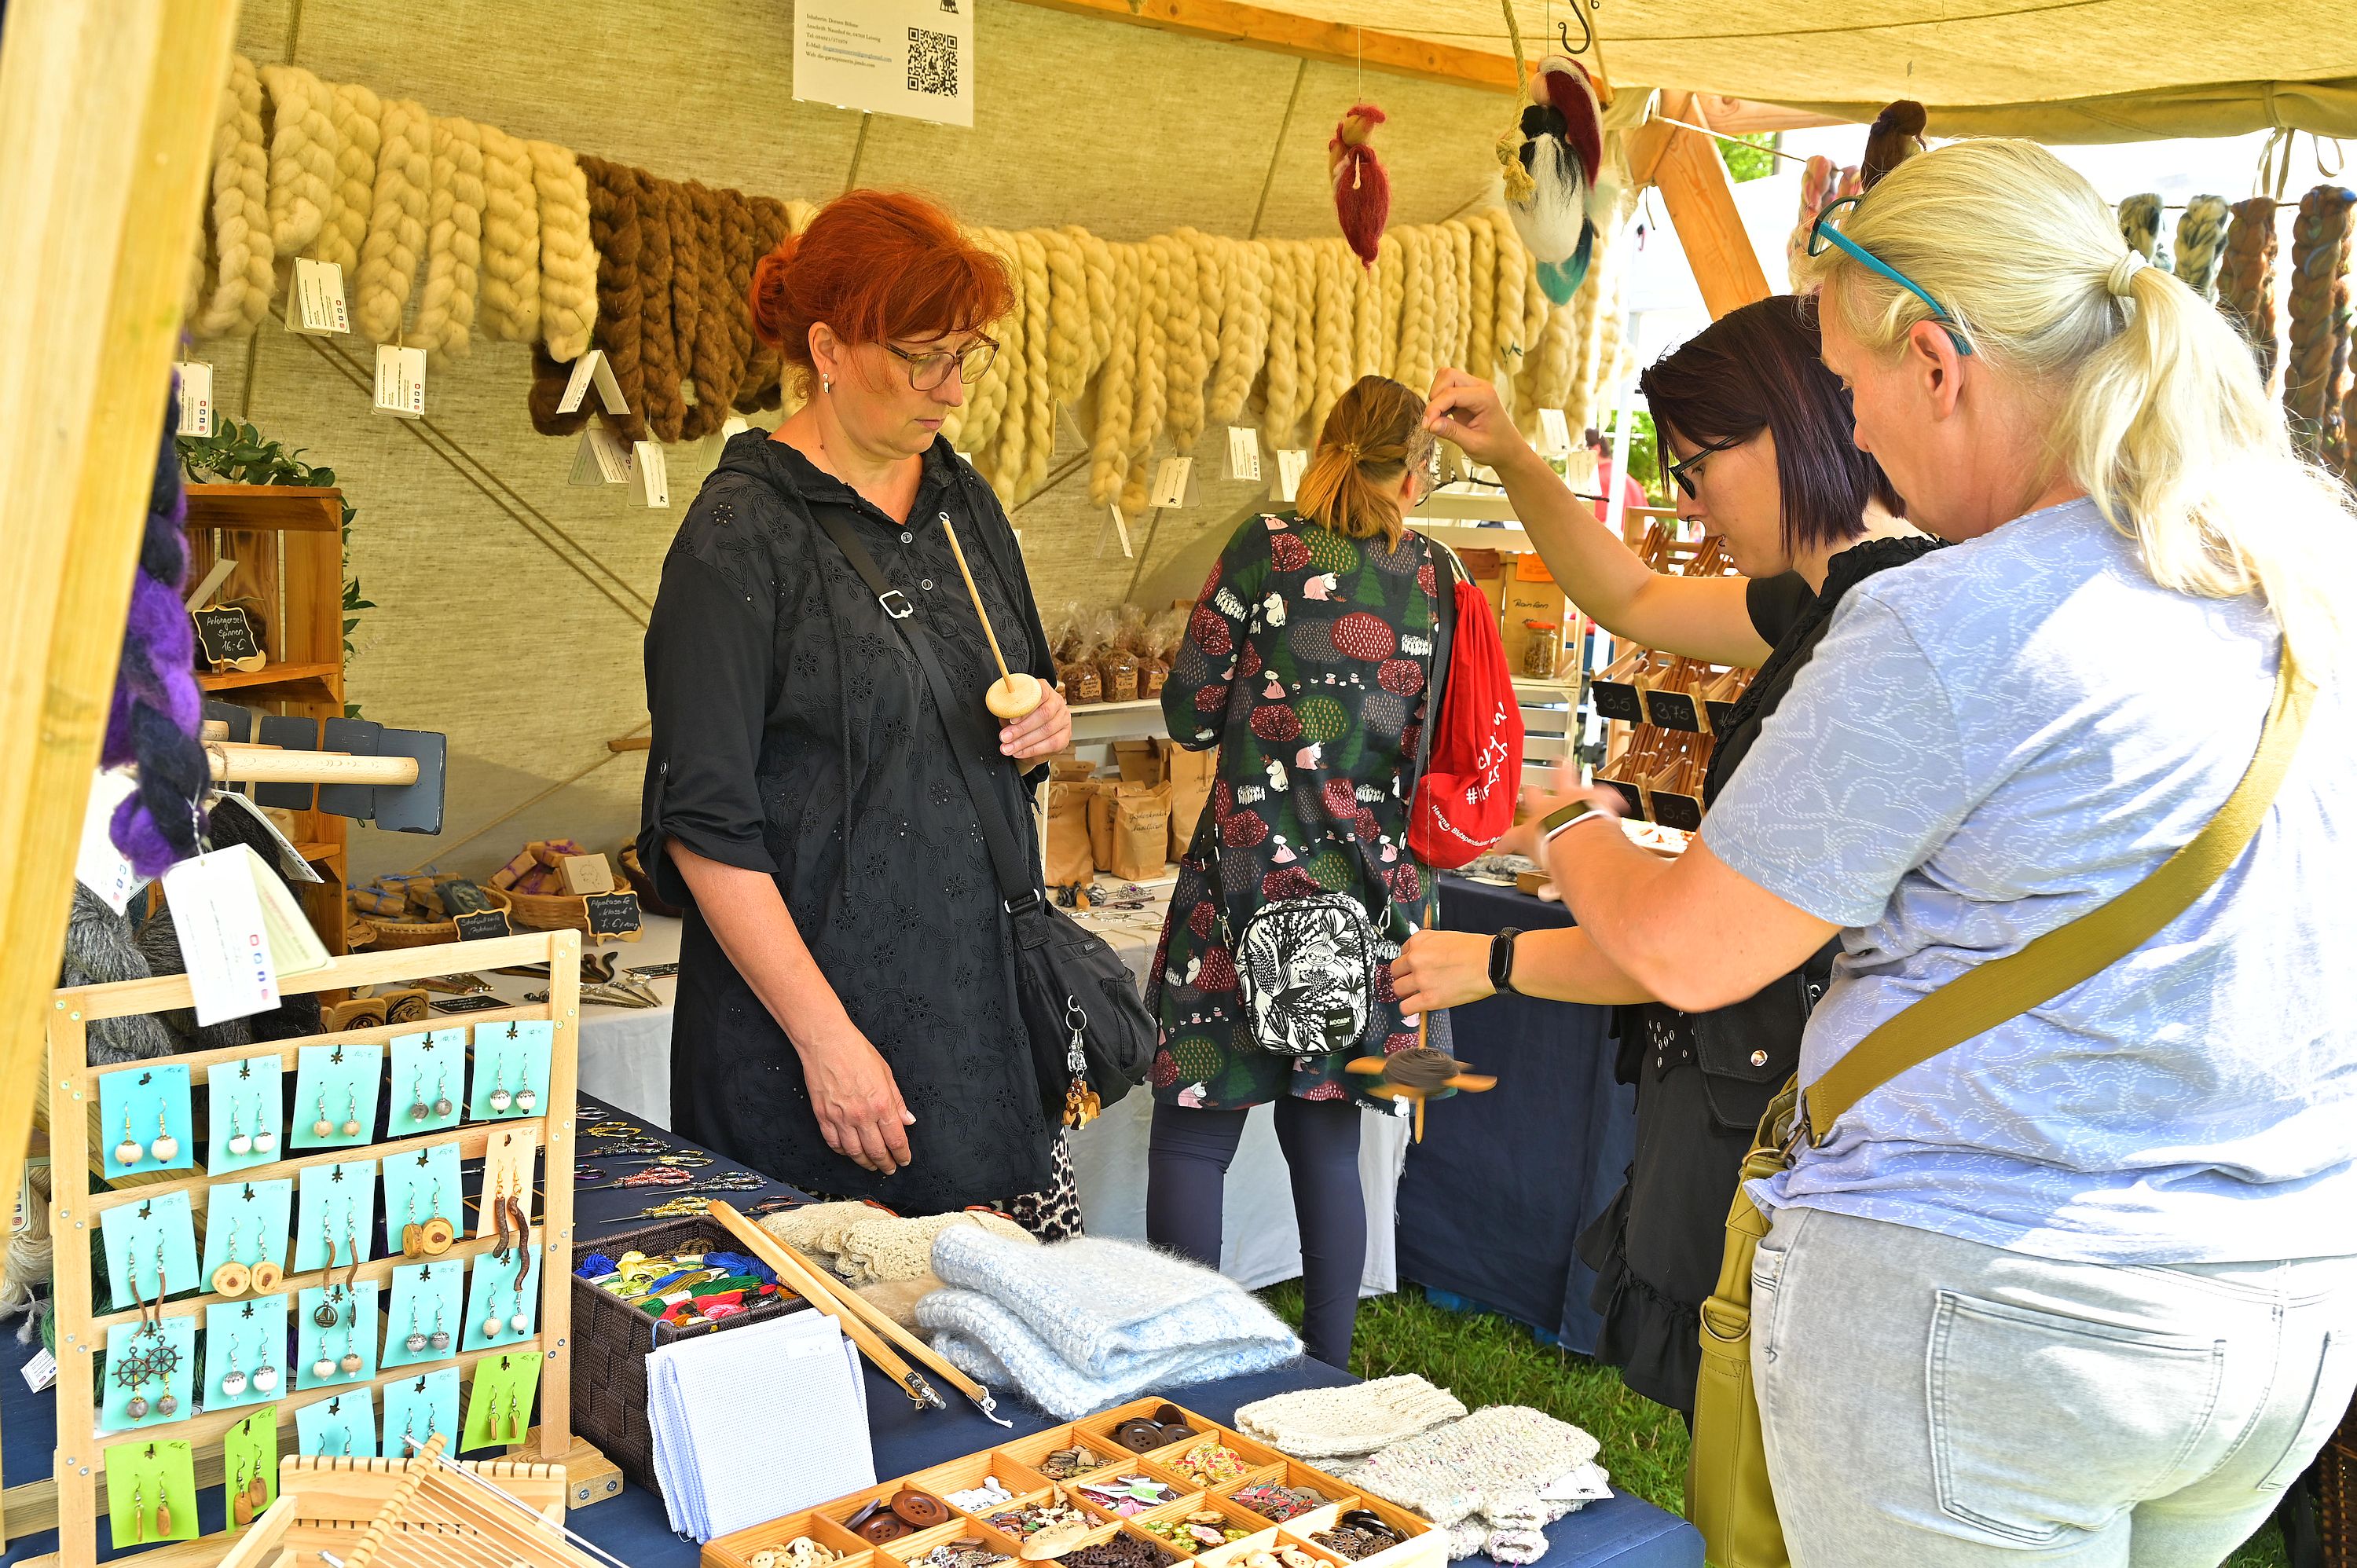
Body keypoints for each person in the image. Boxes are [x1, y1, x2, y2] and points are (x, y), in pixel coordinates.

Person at [1488, 139, 2357, 1563]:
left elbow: (1688, 952)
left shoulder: (1954, 618)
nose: (1855, 430)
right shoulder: (2301, 581)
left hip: (2001, 1310)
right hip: (2283, 1297)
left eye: (1848, 386)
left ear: (1939, 364)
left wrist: (1575, 828)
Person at [1394, 295, 1928, 1418]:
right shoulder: (1825, 599)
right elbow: (1630, 594)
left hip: (1795, 1130)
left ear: (1786, 428)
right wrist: (1515, 459)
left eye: (1696, 467)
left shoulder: (1885, 631)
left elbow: (1691, 943)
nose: (1687, 501)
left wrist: (1568, 832)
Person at [637, 189, 1082, 1235]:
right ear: (828, 349)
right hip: (813, 1044)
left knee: (989, 1316)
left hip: (976, 1016)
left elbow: (1000, 698)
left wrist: (1043, 727)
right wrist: (826, 1041)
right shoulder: (740, 536)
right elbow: (704, 825)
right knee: (843, 1311)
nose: (952, 390)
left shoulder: (964, 504)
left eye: (967, 355)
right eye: (923, 358)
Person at [1145, 375, 1447, 1368]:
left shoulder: (1266, 546)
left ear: (1326, 448)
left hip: (1239, 888)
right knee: (1327, 1137)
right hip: (1366, 899)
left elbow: (1188, 714)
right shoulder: (1435, 576)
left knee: (1195, 1132)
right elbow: (1435, 744)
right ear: (1414, 471)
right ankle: (1327, 1368)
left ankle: (1183, 1369)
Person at [1584, 426, 1650, 544]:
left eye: (1581, 451)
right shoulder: (1629, 480)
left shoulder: (1597, 480)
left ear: (1596, 449)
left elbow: (1598, 524)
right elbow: (1647, 522)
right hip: (1633, 549)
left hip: (1610, 548)